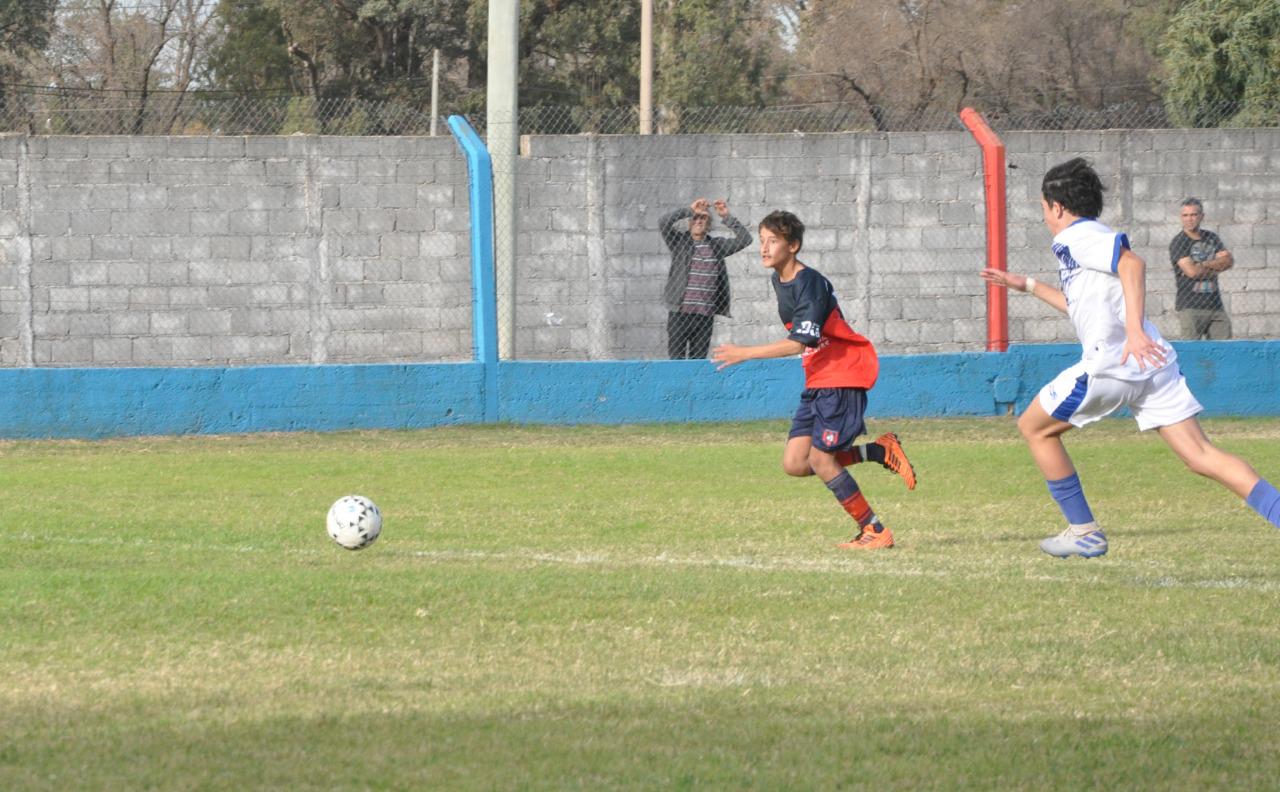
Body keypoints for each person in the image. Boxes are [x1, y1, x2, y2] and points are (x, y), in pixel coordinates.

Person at [981, 158, 1280, 558]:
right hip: (1152, 363)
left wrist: (1135, 330)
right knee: (1201, 456)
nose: (1044, 215)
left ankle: (1083, 530)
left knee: (1034, 427)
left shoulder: (1076, 236)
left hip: (1114, 363)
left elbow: (1132, 263)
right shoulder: (1086, 240)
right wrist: (1028, 285)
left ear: (1056, 207)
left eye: (1042, 207)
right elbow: (1082, 306)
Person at [712, 210, 916, 550]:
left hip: (841, 375)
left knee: (821, 460)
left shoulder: (810, 282)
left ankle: (875, 530)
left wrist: (744, 353)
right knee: (795, 463)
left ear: (793, 246)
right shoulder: (780, 280)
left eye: (772, 241)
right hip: (819, 377)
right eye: (761, 241)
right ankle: (878, 451)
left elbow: (798, 342)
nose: (764, 248)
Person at [659, 198, 752, 359]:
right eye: (695, 218)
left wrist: (726, 216)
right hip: (680, 314)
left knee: (698, 364)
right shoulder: (679, 242)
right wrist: (690, 210)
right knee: (676, 362)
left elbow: (745, 239)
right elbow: (663, 223)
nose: (699, 221)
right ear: (689, 222)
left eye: (703, 218)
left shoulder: (716, 246)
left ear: (708, 224)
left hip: (704, 317)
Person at [1170, 197, 1233, 339]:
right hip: (1190, 306)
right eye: (1185, 215)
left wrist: (1203, 265)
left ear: (1201, 216)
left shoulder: (1211, 237)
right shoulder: (1179, 242)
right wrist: (1216, 265)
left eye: (1193, 214)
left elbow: (1228, 261)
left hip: (1215, 305)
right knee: (1191, 351)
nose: (1189, 219)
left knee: (1224, 349)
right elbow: (1191, 272)